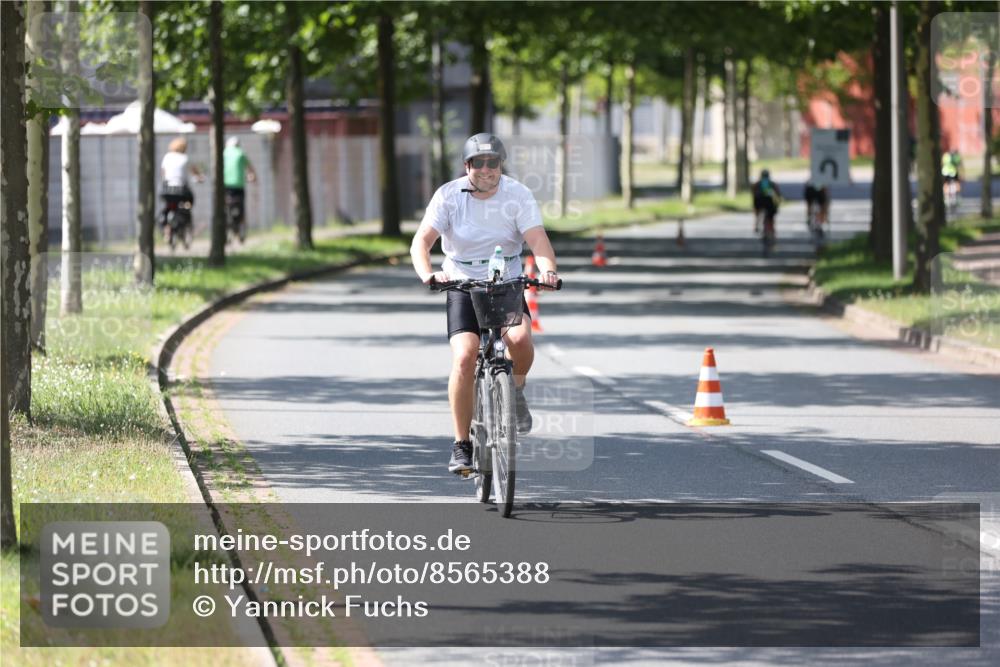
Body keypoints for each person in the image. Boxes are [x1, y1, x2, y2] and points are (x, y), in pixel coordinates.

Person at [410, 133, 561, 474]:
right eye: (479, 163)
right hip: (461, 283)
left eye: (493, 163)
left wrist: (548, 271)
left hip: (504, 281)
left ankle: (516, 393)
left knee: (521, 341)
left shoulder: (517, 195)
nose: (487, 169)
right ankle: (462, 444)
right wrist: (428, 274)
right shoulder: (449, 196)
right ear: (467, 166)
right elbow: (422, 241)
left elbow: (537, 239)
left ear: (501, 165)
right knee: (465, 356)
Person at [160, 137, 202, 229]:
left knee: (168, 205)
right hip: (181, 189)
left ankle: (166, 227)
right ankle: (185, 215)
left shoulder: (167, 157)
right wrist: (199, 178)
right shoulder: (185, 158)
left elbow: (163, 173)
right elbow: (195, 171)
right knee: (190, 199)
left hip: (167, 189)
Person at [223, 136, 257, 234]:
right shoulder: (240, 153)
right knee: (240, 205)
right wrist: (253, 178)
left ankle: (226, 222)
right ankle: (240, 224)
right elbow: (250, 169)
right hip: (239, 185)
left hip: (225, 185)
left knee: (225, 204)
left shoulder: (223, 153)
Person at [752, 169, 782, 233]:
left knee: (758, 212)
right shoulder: (772, 184)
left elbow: (754, 194)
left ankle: (756, 224)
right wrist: (778, 204)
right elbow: (778, 195)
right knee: (771, 216)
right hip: (769, 202)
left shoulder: (757, 184)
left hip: (759, 201)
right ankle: (772, 228)